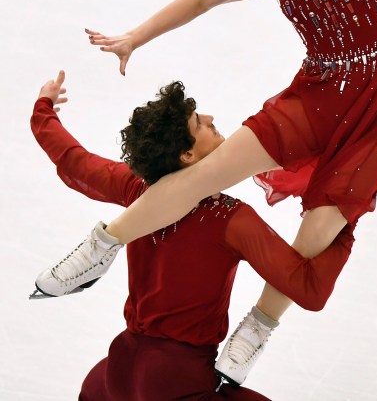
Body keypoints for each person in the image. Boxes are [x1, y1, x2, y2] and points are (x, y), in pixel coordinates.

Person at [35, 0, 377, 386]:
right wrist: (136, 35)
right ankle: (100, 246)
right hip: (316, 92)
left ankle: (259, 325)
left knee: (319, 227)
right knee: (202, 177)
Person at [31, 72, 355, 400]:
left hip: (118, 371)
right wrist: (346, 215)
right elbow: (308, 289)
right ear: (187, 155)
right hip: (176, 382)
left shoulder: (138, 192)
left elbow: (75, 162)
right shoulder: (228, 219)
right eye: (200, 123)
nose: (211, 118)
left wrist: (43, 108)